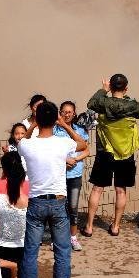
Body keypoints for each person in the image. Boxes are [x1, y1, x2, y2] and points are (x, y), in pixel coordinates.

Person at [18, 101, 88, 278]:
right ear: (55, 118)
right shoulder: (62, 142)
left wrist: (33, 125)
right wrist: (65, 126)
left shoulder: (27, 144)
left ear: (37, 119)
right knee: (62, 250)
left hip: (36, 202)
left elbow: (25, 139)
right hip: (58, 202)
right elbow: (83, 145)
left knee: (31, 251)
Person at [84, 74, 139, 237]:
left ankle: (89, 227)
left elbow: (91, 104)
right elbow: (137, 111)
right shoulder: (134, 106)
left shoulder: (102, 104)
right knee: (121, 191)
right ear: (126, 88)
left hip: (105, 152)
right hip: (125, 153)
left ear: (111, 87)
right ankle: (115, 227)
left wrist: (103, 90)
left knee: (97, 189)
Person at [56, 101, 90, 250]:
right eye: (64, 111)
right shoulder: (54, 131)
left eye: (70, 112)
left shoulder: (79, 130)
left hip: (75, 174)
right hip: (59, 175)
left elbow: (85, 149)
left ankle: (73, 237)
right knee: (58, 207)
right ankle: (57, 238)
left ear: (74, 113)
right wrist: (64, 161)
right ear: (60, 113)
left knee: (73, 206)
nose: (67, 114)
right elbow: (52, 152)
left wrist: (75, 159)